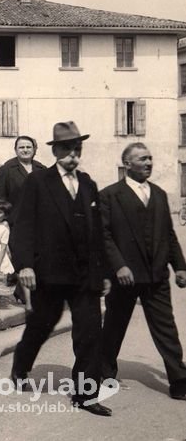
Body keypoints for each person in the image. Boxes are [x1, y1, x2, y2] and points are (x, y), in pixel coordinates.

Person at [10, 121, 111, 416]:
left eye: (77, 149)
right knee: (41, 326)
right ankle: (21, 366)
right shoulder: (38, 182)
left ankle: (85, 395)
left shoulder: (89, 184)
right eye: (67, 149)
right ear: (56, 151)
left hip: (84, 275)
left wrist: (103, 271)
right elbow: (23, 225)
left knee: (90, 332)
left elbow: (98, 232)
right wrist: (25, 264)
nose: (73, 156)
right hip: (50, 273)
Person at [100, 142, 186, 401]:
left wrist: (180, 266)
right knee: (115, 325)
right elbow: (103, 236)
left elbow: (169, 235)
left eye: (150, 158)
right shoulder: (110, 195)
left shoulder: (159, 194)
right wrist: (119, 265)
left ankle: (179, 380)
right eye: (142, 159)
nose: (149, 163)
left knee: (166, 328)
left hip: (156, 276)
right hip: (124, 277)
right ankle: (104, 372)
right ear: (127, 164)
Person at [0, 136, 47, 305]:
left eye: (28, 147)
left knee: (38, 257)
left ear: (34, 149)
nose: (25, 150)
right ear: (16, 150)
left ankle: (22, 292)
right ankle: (25, 294)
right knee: (20, 257)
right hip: (15, 221)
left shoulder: (41, 169)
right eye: (21, 147)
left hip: (39, 222)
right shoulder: (7, 169)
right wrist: (2, 221)